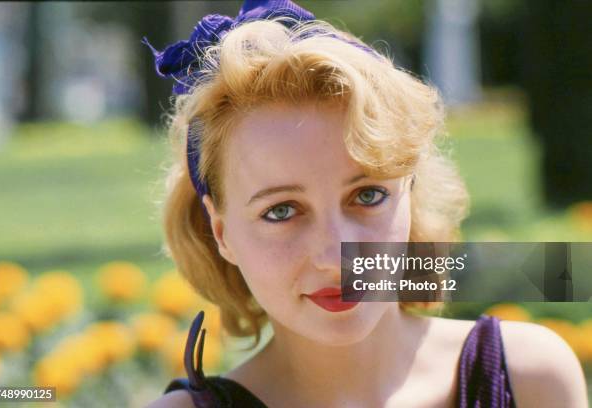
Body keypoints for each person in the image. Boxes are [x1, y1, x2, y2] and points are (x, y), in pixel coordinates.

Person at [145, 1, 588, 407]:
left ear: (410, 195)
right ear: (221, 234)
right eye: (281, 210)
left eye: (367, 195)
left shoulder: (529, 378)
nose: (335, 255)